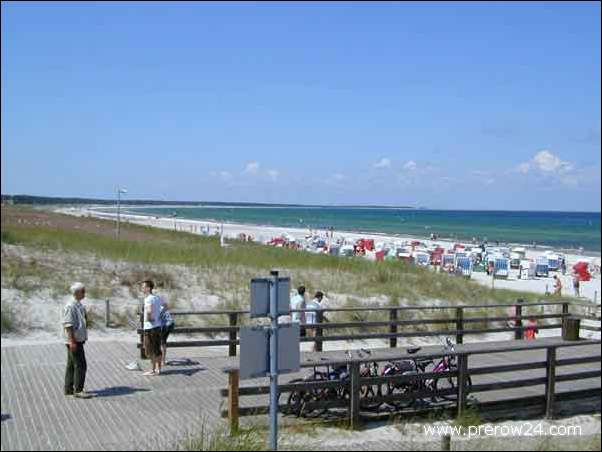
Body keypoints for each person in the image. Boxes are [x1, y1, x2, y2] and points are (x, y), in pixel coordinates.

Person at [63, 282, 92, 398]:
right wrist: (72, 341)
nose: (84, 293)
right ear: (76, 292)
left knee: (71, 364)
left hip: (78, 339)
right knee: (81, 364)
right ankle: (78, 390)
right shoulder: (70, 306)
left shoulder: (78, 305)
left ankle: (68, 388)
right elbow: (68, 325)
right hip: (74, 340)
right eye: (83, 291)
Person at [141, 280, 163, 376]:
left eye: (143, 287)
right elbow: (163, 308)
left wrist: (150, 318)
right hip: (157, 326)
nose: (142, 288)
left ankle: (153, 370)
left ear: (148, 288)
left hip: (150, 328)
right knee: (157, 349)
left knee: (149, 349)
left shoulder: (148, 299)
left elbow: (149, 311)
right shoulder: (157, 298)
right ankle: (158, 369)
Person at [159, 296, 175, 367]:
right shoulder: (165, 308)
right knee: (163, 343)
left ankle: (162, 361)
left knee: (162, 343)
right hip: (167, 326)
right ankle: (163, 360)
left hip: (164, 327)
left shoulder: (160, 308)